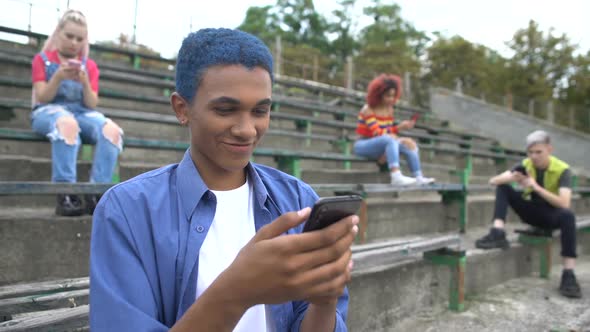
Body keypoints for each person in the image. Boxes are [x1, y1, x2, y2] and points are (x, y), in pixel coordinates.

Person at [89, 28, 356, 331]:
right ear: (182, 108)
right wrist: (236, 291)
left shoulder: (298, 200)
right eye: (226, 110)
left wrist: (325, 299)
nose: (246, 129)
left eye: (260, 110)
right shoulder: (128, 211)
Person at [30, 9, 123, 216]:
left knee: (112, 131)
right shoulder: (42, 60)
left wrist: (84, 82)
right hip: (48, 110)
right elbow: (43, 97)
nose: (73, 42)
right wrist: (58, 77)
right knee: (67, 124)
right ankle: (66, 193)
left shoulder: (89, 65)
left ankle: (96, 192)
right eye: (69, 36)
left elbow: (91, 103)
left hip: (82, 112)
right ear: (58, 33)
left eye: (79, 38)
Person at [475, 130, 581, 298]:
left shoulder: (563, 170)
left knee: (568, 216)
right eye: (530, 152)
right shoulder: (525, 164)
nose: (534, 156)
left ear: (549, 149)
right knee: (503, 187)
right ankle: (497, 232)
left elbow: (564, 203)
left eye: (539, 152)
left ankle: (568, 274)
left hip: (551, 216)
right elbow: (493, 181)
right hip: (530, 212)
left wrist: (535, 187)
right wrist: (511, 178)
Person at [353, 74, 435, 186]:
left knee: (410, 145)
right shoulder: (368, 109)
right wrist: (400, 138)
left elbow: (388, 132)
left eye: (393, 96)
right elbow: (377, 132)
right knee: (393, 140)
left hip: (383, 142)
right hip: (363, 144)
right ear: (378, 95)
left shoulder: (389, 110)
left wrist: (401, 129)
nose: (391, 99)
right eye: (387, 96)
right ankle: (396, 175)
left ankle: (418, 176)